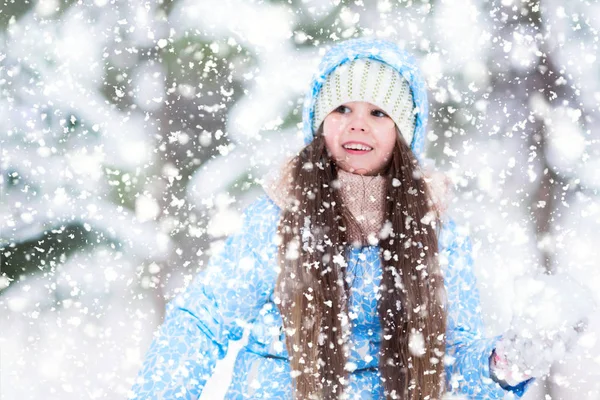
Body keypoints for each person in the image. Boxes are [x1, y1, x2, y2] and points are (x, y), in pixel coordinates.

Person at [128, 38, 591, 399]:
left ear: (403, 133)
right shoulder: (280, 217)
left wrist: (501, 364)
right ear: (319, 123)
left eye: (377, 113)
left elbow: (454, 351)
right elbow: (204, 320)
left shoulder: (437, 234)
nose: (356, 124)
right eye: (342, 109)